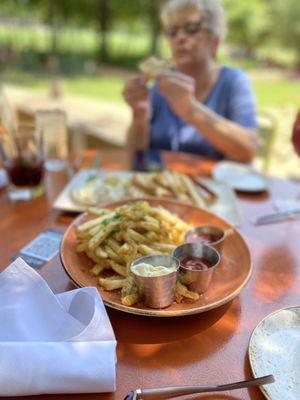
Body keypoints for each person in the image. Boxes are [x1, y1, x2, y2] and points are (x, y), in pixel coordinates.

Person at [123, 0, 259, 163]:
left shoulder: (233, 81)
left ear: (215, 40)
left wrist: (191, 110)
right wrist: (140, 116)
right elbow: (136, 157)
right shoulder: (161, 86)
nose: (180, 38)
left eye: (191, 29)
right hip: (164, 184)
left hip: (214, 187)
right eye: (173, 31)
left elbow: (249, 149)